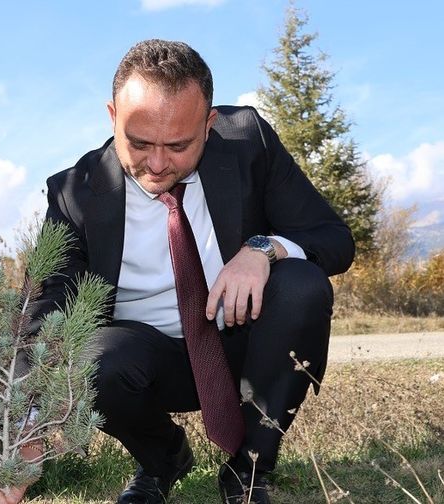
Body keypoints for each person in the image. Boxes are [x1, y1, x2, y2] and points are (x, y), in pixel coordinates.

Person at [23, 40, 354, 504]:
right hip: (142, 364)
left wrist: (261, 250)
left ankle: (251, 468)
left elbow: (333, 238)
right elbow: (45, 306)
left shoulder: (248, 141)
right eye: (138, 142)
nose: (157, 165)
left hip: (242, 346)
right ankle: (163, 460)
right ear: (112, 115)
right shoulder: (74, 194)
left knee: (302, 286)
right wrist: (25, 422)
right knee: (92, 358)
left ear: (208, 123)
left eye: (178, 145)